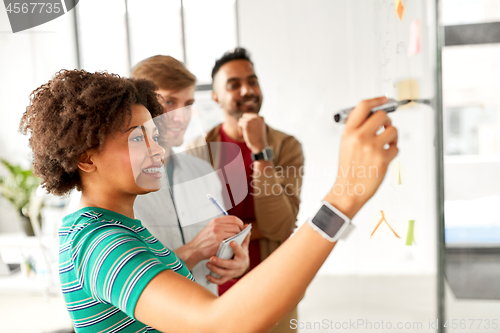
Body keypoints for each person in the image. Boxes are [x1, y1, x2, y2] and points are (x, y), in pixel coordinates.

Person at [20, 69, 398, 332]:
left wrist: (212, 254)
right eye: (138, 139)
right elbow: (217, 323)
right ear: (86, 158)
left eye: (155, 136)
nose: (158, 151)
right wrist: (341, 199)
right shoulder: (99, 241)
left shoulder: (119, 229)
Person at [185, 47, 304, 330]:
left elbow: (279, 226)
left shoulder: (287, 147)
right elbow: (198, 228)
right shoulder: (199, 151)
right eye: (234, 85)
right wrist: (256, 228)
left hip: (273, 279)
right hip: (216, 283)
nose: (247, 90)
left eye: (252, 81)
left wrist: (261, 151)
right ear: (215, 96)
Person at [131, 55, 250, 295]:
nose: (182, 116)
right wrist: (193, 251)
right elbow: (128, 281)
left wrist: (237, 260)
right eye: (169, 101)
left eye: (187, 104)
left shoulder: (202, 172)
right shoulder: (116, 185)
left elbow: (216, 252)